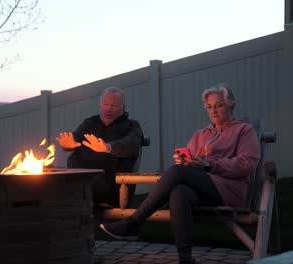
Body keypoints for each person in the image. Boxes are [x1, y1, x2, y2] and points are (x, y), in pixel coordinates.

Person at [99, 83, 261, 264]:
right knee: (179, 192)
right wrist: (186, 161)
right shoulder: (201, 134)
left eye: (219, 105)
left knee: (177, 173)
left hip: (229, 190)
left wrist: (208, 165)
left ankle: (134, 222)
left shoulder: (244, 131)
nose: (213, 110)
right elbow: (189, 163)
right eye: (209, 107)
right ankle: (185, 260)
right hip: (203, 190)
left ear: (231, 105)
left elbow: (246, 164)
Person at [55, 87, 144, 207]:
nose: (108, 109)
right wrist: (67, 145)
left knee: (75, 188)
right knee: (50, 182)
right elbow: (74, 139)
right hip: (77, 177)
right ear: (100, 105)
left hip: (107, 182)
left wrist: (108, 147)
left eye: (114, 105)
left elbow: (132, 146)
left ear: (123, 107)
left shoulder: (131, 125)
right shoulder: (90, 123)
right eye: (105, 104)